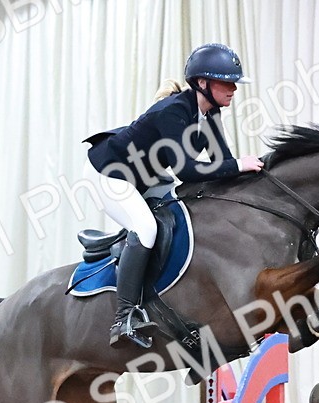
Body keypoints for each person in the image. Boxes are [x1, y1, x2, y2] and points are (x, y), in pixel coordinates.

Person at [85, 43, 265, 348]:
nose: (234, 89)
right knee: (146, 229)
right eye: (227, 82)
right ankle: (123, 317)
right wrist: (237, 165)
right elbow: (188, 170)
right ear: (203, 83)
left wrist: (251, 175)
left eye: (235, 83)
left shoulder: (210, 114)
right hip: (116, 177)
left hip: (149, 175)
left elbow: (221, 161)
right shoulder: (174, 111)